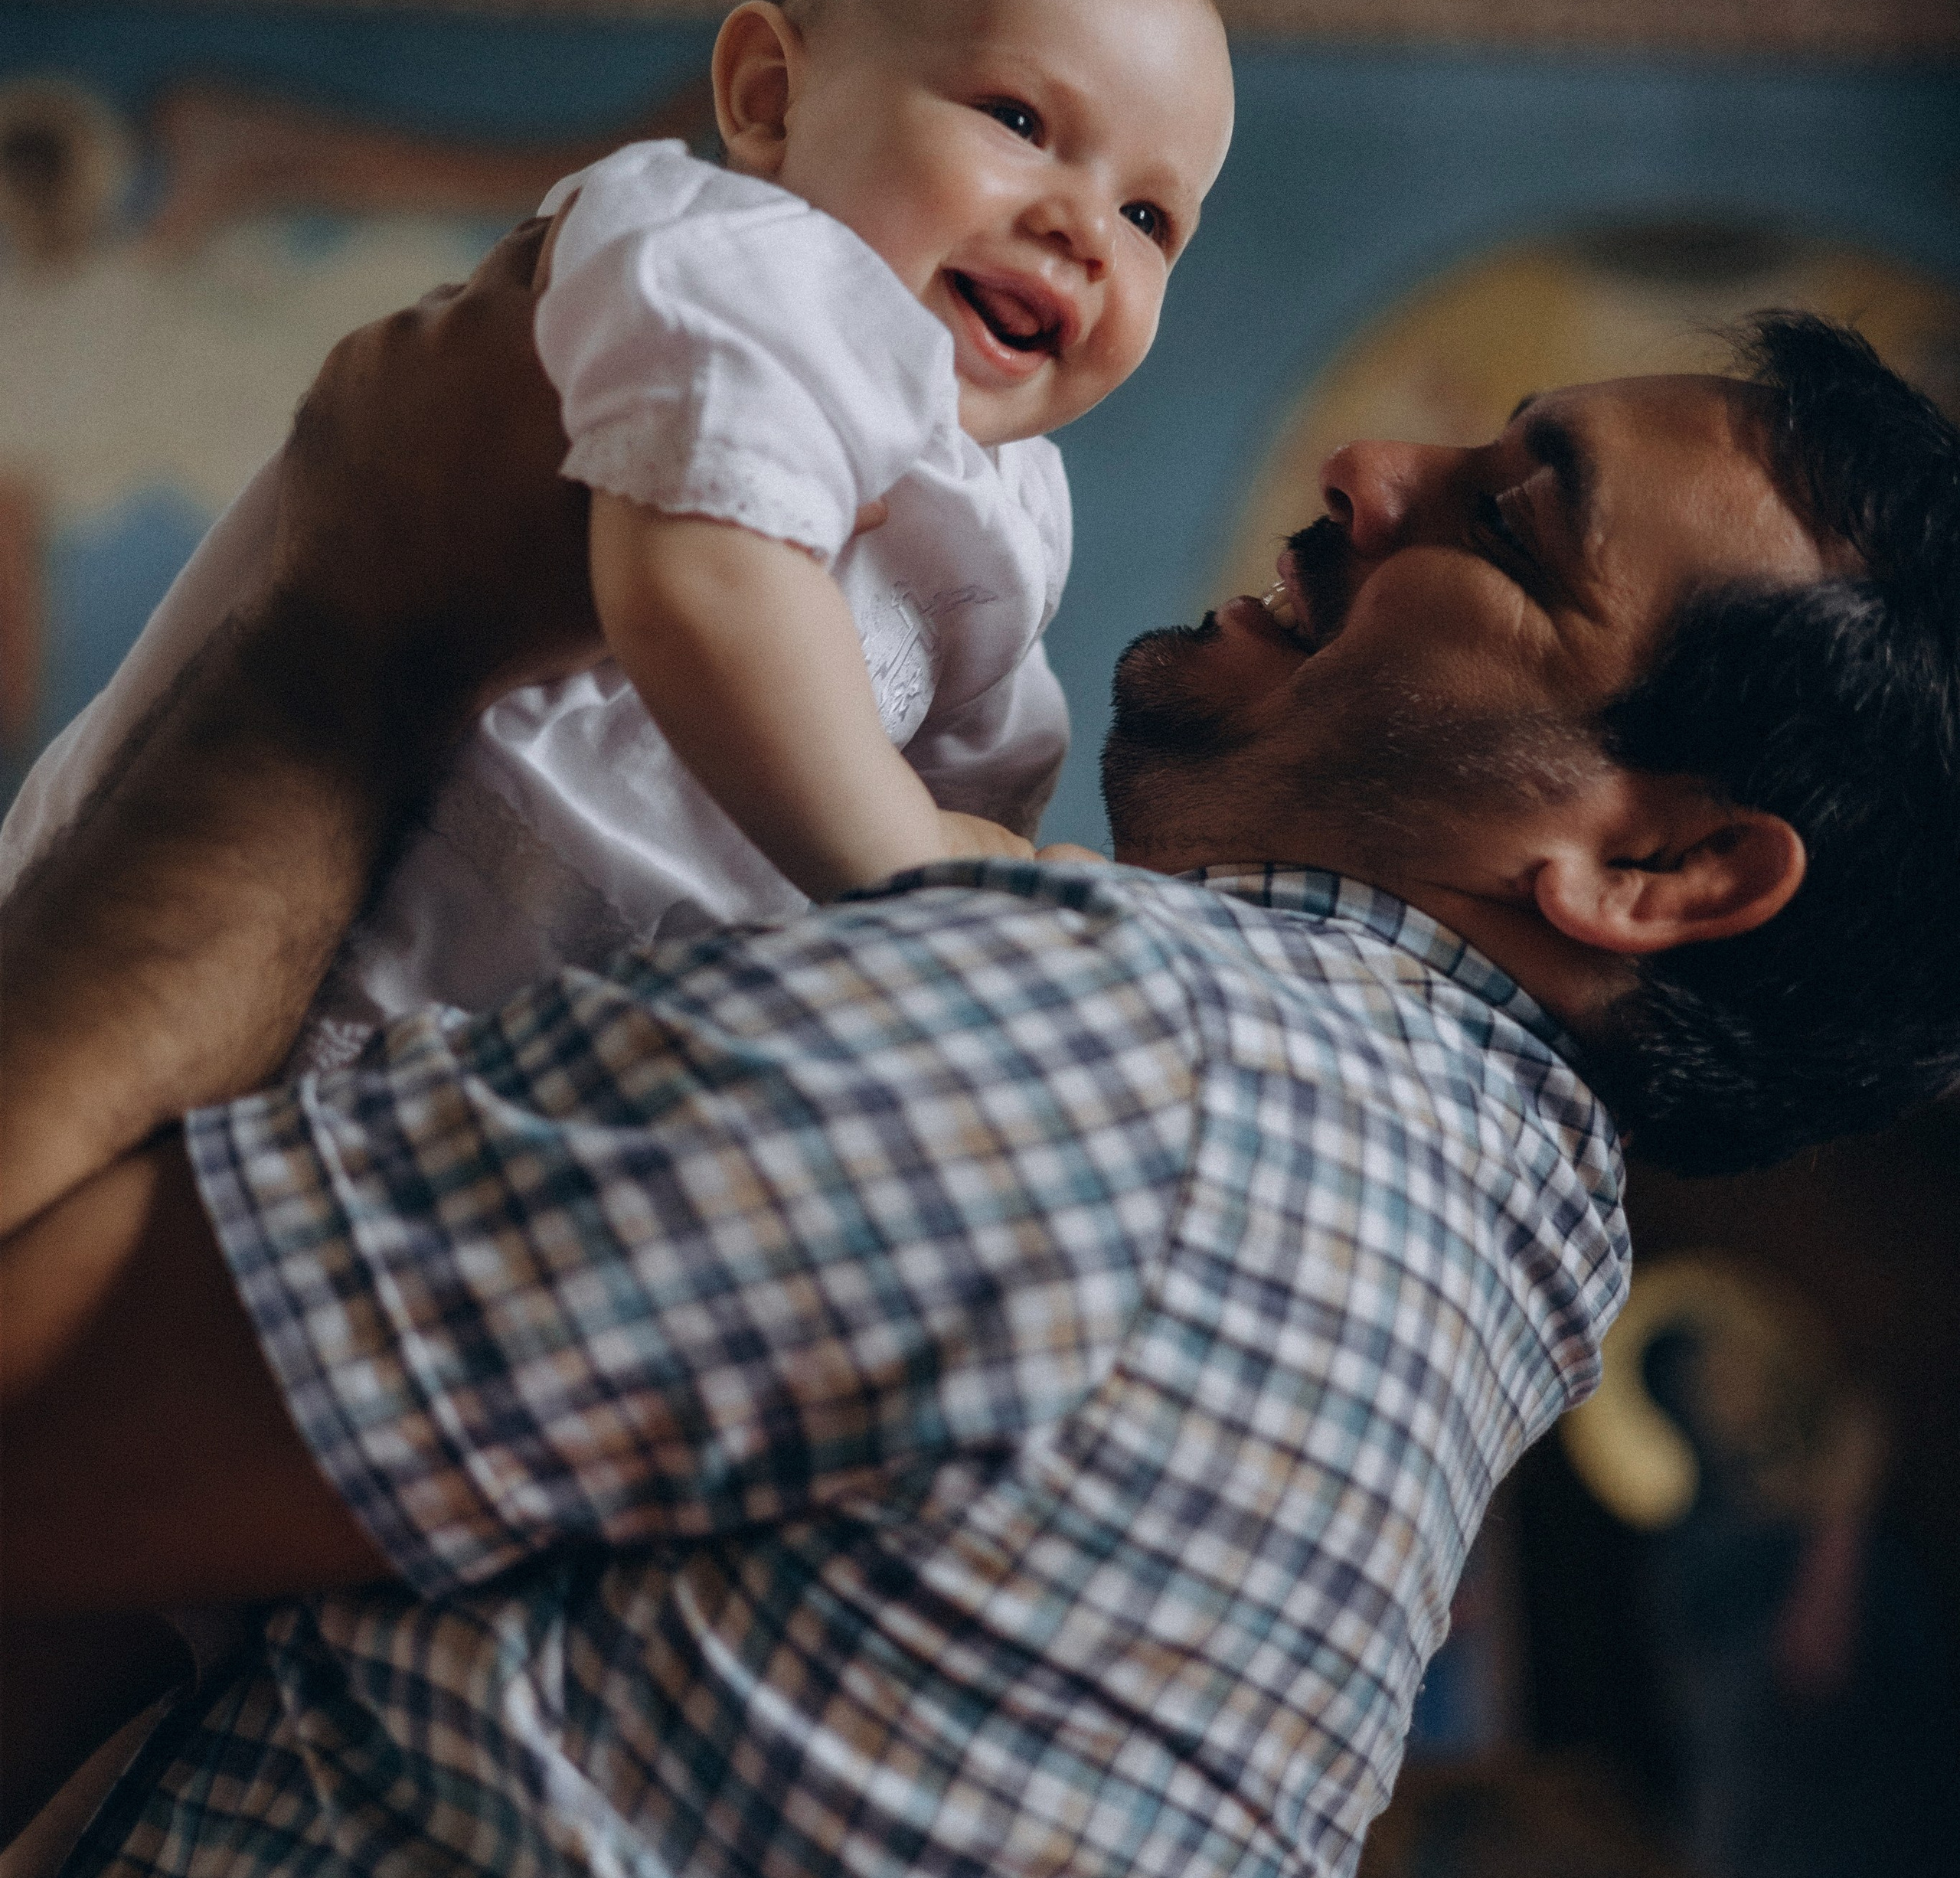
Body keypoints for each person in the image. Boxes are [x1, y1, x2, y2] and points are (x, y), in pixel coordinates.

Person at [3, 222, 1957, 1878]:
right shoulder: (1432, 1271)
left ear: (1661, 867)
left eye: (1511, 527)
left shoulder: (1132, 1064)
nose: (1373, 463)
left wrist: (348, 609)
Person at [0, 0, 1234, 1075]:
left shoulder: (1014, 502)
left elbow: (978, 785)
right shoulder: (730, 265)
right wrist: (912, 866)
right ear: (770, 97)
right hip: (213, 959)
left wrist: (993, 906)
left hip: (502, 1065)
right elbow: (703, 587)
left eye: (1149, 216)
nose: (1084, 227)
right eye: (1018, 118)